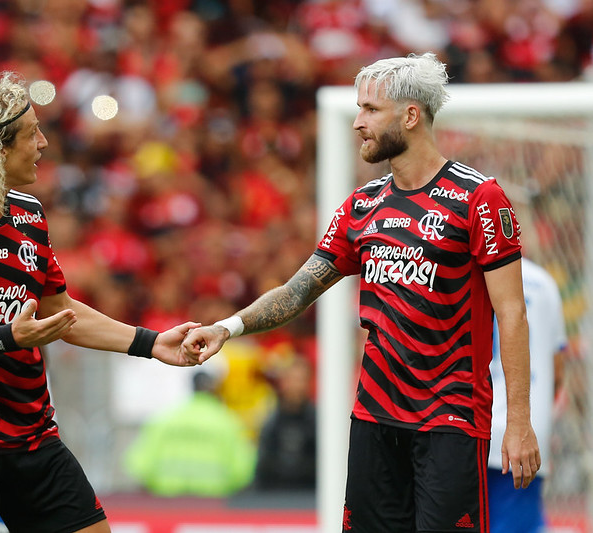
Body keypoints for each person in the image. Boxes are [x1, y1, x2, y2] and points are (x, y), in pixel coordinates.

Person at [182, 52, 540, 532]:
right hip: (374, 416)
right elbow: (297, 290)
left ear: (410, 116)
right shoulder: (362, 205)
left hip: (450, 422)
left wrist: (519, 421)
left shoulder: (478, 199)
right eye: (358, 109)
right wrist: (229, 326)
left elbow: (512, 314)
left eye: (370, 109)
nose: (357, 122)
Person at [0, 71, 199, 533]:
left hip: (32, 434)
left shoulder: (30, 214)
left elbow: (60, 312)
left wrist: (151, 344)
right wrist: (7, 336)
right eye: (33, 133)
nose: (45, 143)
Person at [488, 257, 567, 533]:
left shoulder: (466, 273)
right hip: (525, 435)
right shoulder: (545, 283)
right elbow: (557, 372)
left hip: (467, 428)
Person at [123, 370, 256, 497]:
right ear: (214, 388)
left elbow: (140, 466)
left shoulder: (164, 419)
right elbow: (243, 471)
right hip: (213, 505)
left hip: (165, 504)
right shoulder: (228, 422)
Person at [252, 356, 317, 492]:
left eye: (301, 380)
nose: (297, 386)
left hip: (310, 497)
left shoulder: (319, 423)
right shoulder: (270, 422)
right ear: (283, 383)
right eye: (293, 380)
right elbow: (262, 468)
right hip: (275, 498)